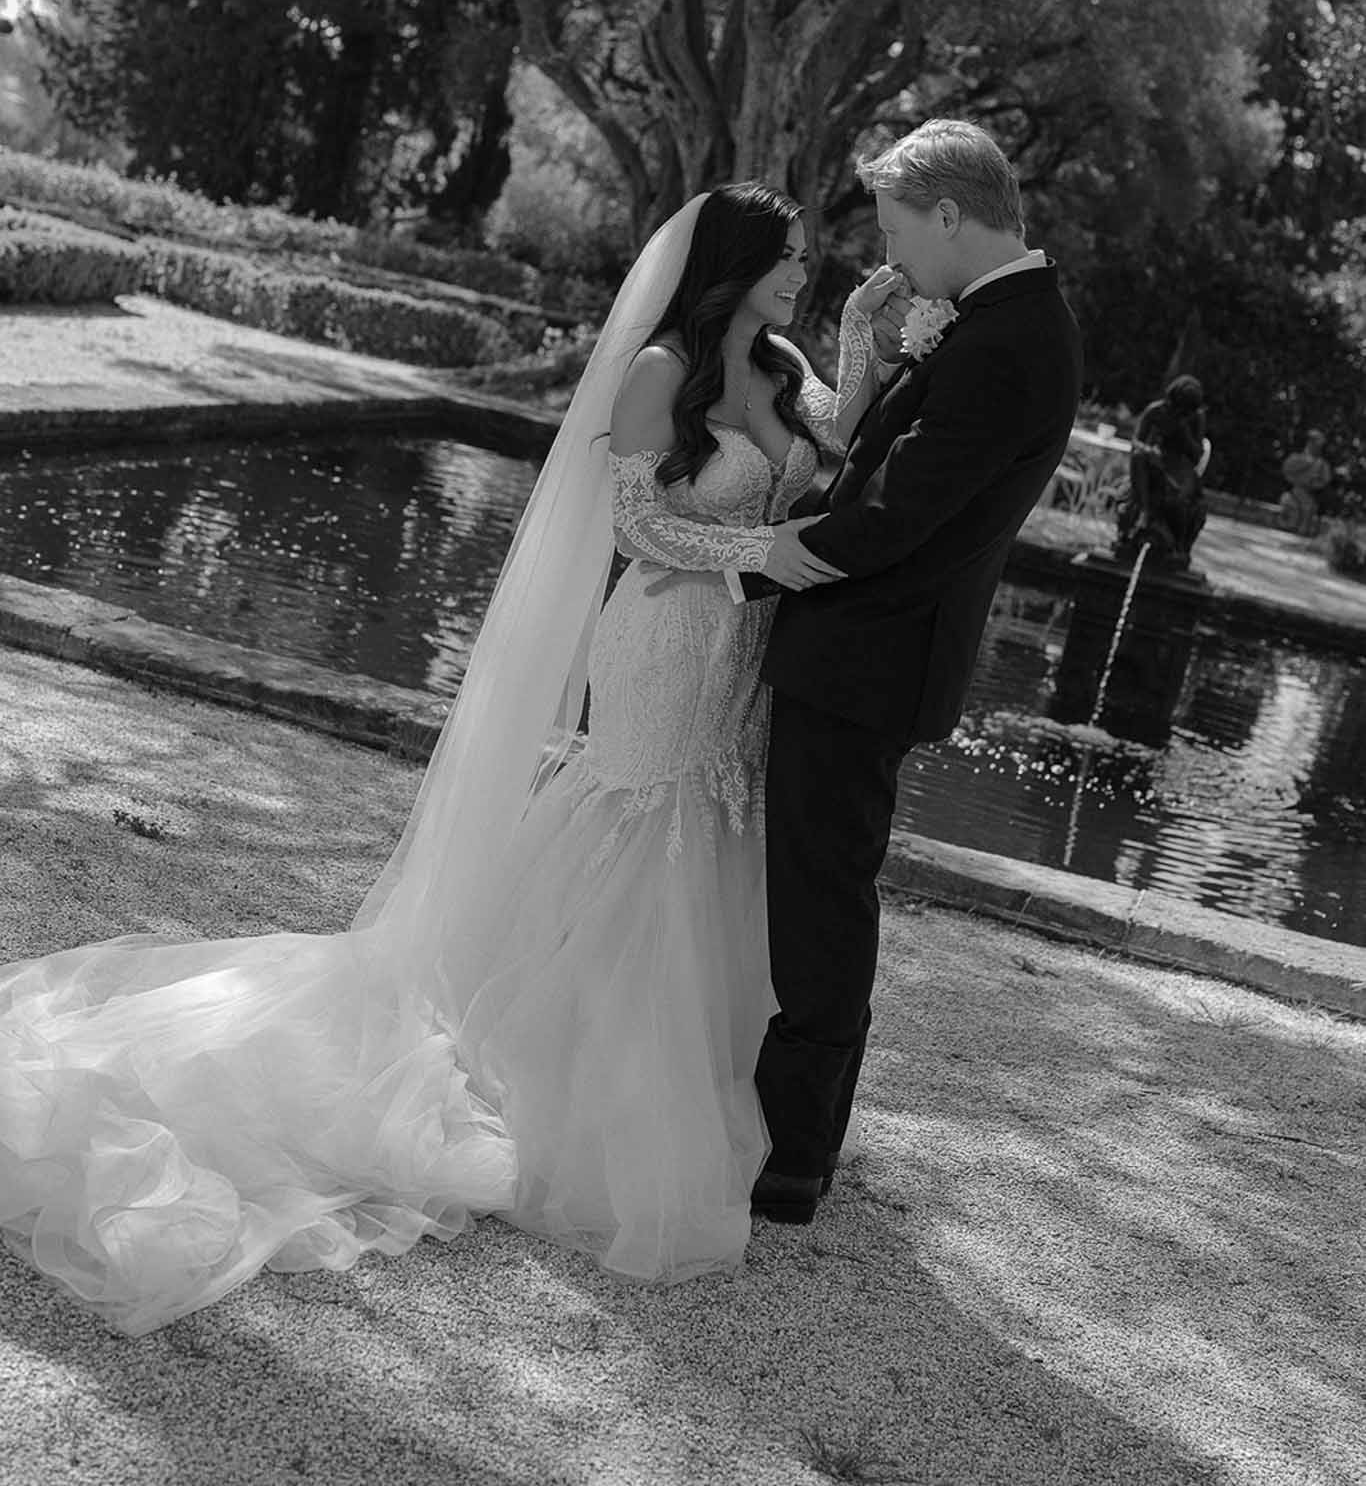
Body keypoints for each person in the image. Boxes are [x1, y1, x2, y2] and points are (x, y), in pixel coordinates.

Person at [0, 182, 892, 1334]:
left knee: (710, 822)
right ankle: (556, 1058)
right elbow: (634, 528)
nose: (803, 269)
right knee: (633, 815)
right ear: (734, 257)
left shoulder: (778, 364)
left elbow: (840, 430)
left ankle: (682, 1061)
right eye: (786, 254)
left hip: (743, 650)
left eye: (808, 256)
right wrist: (755, 548)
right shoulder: (659, 371)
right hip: (668, 634)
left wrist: (865, 341)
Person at [737, 119, 1084, 1224]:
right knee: (815, 882)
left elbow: (900, 508)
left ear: (948, 214)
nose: (889, 257)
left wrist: (760, 560)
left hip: (867, 651)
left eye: (895, 229)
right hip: (872, 646)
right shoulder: (996, 322)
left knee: (820, 892)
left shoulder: (1007, 339)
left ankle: (790, 1156)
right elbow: (891, 463)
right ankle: (795, 1130)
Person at [1113, 375, 1209, 569]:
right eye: (1178, 408)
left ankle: (1178, 547)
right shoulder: (1156, 411)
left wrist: (1185, 434)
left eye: (1185, 411)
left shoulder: (1195, 418)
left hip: (1181, 469)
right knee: (1139, 458)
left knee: (1179, 501)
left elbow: (1197, 454)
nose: (1181, 413)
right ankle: (1144, 511)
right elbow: (1136, 441)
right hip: (1156, 461)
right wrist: (1149, 450)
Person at [1280, 429, 1332, 535]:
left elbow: (1324, 481)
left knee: (1309, 508)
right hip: (1294, 492)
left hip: (1310, 494)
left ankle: (1301, 532)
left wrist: (1313, 484)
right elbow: (1287, 473)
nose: (1318, 447)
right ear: (1309, 442)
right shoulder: (1295, 458)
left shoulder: (1322, 464)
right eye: (1316, 443)